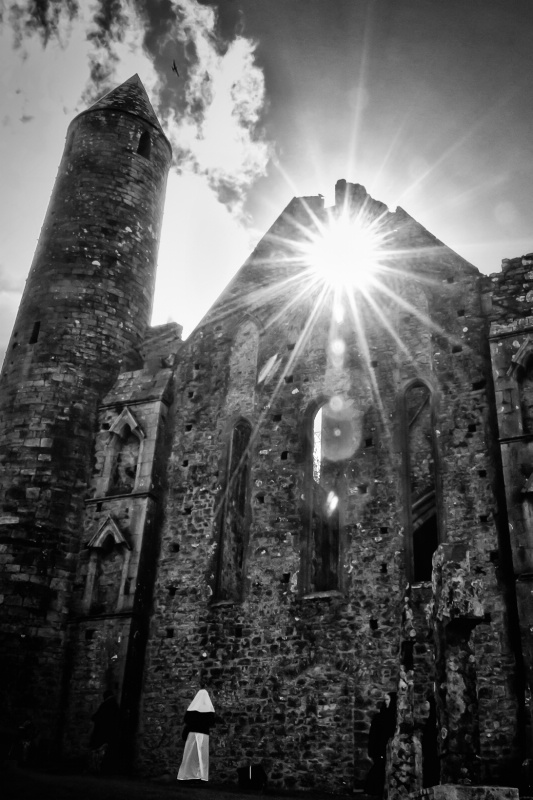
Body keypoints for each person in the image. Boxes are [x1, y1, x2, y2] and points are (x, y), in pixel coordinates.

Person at [177, 689, 216, 782]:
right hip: (203, 734)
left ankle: (186, 776)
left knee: (189, 755)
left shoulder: (192, 708)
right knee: (201, 756)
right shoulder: (209, 709)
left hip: (192, 733)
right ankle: (201, 777)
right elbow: (211, 722)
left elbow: (187, 720)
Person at [364, 692, 397, 796]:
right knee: (379, 769)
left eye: (388, 699)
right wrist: (373, 750)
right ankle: (374, 791)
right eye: (385, 700)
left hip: (390, 748)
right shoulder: (379, 717)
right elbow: (374, 735)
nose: (385, 702)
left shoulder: (395, 717)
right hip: (380, 748)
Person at [89, 690, 120, 774]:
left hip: (102, 732)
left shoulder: (106, 705)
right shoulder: (114, 705)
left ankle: (97, 768)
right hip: (109, 732)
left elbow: (98, 717)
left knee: (99, 749)